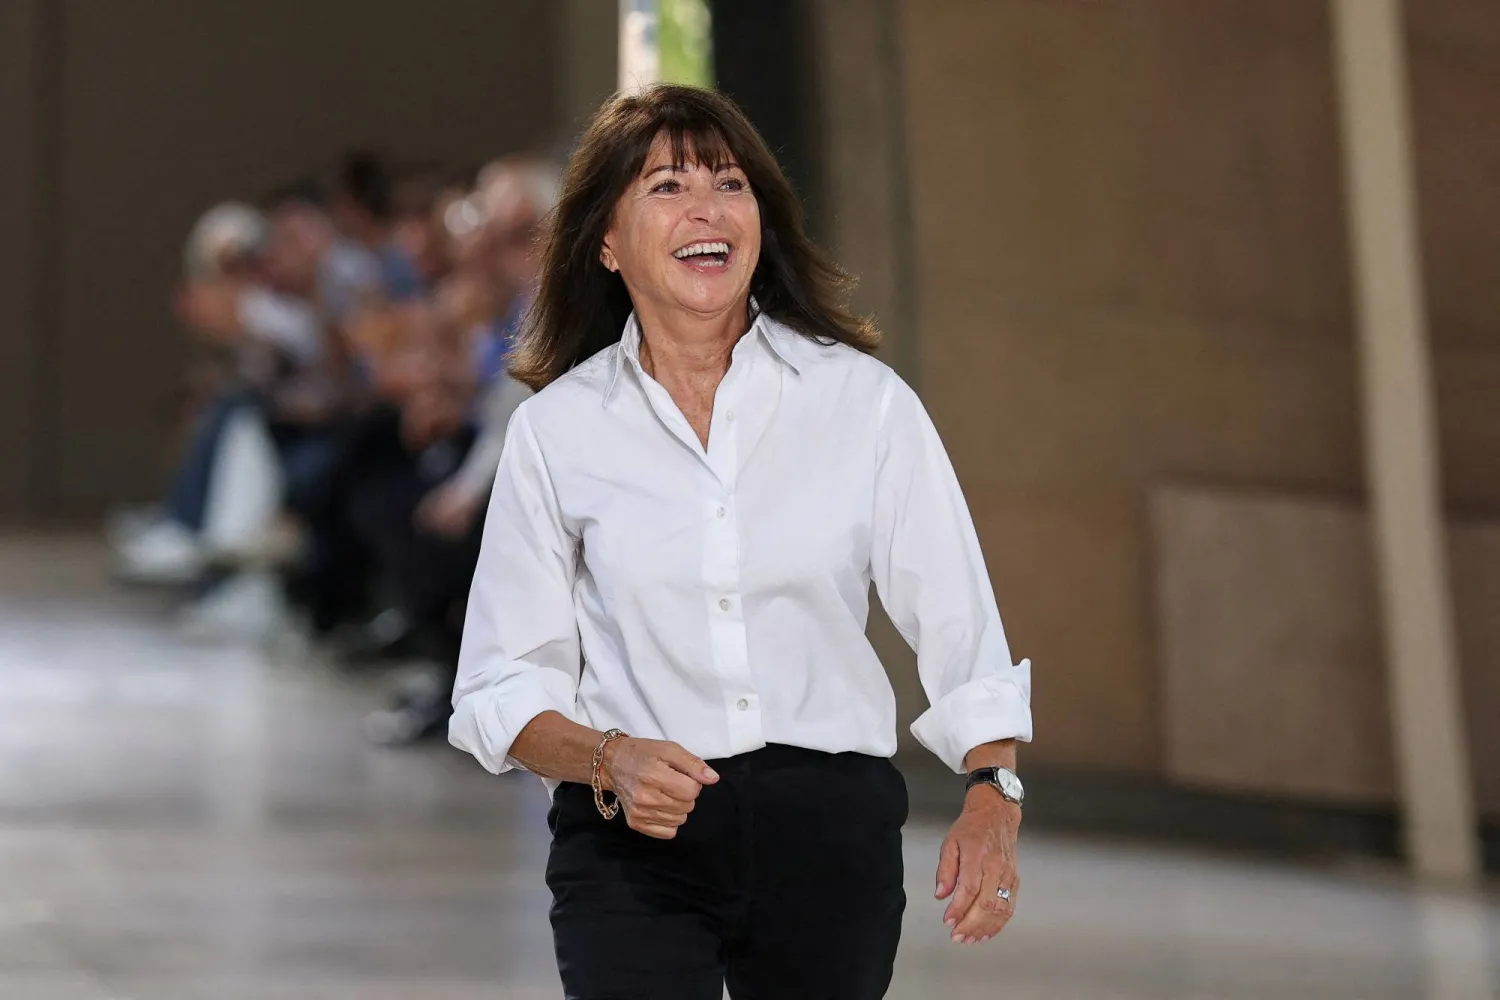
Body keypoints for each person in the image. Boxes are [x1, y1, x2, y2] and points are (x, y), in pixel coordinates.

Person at [449, 85, 1033, 999]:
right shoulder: (557, 432)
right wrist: (608, 758)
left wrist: (994, 794)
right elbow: (498, 681)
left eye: (730, 183)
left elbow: (960, 620)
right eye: (668, 187)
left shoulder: (862, 404)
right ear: (606, 240)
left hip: (829, 835)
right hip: (630, 836)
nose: (708, 210)